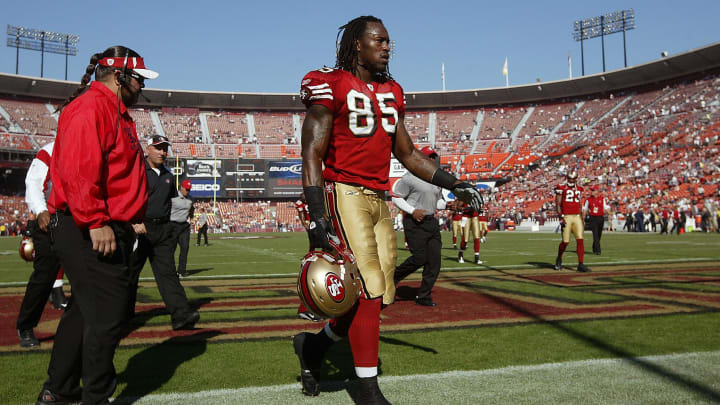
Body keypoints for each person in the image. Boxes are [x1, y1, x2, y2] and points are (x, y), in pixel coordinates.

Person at [292, 16, 482, 403]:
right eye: (378, 40)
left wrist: (453, 182)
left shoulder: (392, 90)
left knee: (374, 293)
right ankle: (367, 388)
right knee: (371, 289)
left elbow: (409, 153)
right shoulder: (331, 83)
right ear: (356, 45)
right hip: (342, 191)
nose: (387, 46)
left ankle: (312, 348)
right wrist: (317, 215)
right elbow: (311, 152)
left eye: (388, 41)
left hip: (377, 197)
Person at [36, 45, 157, 405]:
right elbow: (78, 169)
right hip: (86, 224)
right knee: (107, 316)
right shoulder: (92, 107)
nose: (141, 88)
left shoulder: (112, 110)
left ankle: (58, 390)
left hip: (97, 223)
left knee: (84, 312)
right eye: (138, 80)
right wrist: (95, 220)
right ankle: (97, 396)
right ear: (120, 77)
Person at [128, 136, 199, 331]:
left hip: (162, 229)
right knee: (129, 273)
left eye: (165, 148)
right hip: (139, 228)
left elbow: (168, 202)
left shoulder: (168, 175)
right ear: (148, 149)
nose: (162, 152)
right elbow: (126, 197)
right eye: (158, 148)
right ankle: (121, 314)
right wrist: (133, 222)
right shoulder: (137, 170)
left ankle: (181, 314)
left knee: (168, 273)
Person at [16, 141, 68, 348]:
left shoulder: (88, 145)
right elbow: (34, 183)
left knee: (88, 274)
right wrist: (40, 210)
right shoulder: (49, 150)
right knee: (44, 276)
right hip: (50, 221)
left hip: (76, 220)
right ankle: (26, 325)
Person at [392, 146, 453, 307]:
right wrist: (413, 211)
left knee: (434, 262)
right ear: (421, 159)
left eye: (434, 157)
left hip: (431, 222)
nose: (433, 160)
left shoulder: (436, 179)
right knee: (420, 258)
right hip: (415, 222)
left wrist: (449, 205)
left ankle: (424, 296)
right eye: (429, 157)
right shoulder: (410, 177)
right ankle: (394, 276)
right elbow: (396, 197)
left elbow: (437, 202)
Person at [554, 171, 590, 272]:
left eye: (573, 179)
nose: (571, 180)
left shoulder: (579, 189)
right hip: (566, 216)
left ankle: (581, 264)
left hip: (577, 216)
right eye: (570, 179)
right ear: (567, 178)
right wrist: (560, 216)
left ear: (576, 179)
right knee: (565, 242)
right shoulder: (561, 188)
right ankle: (559, 258)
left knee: (580, 239)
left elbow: (580, 204)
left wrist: (582, 218)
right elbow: (558, 203)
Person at [170, 179, 194, 277]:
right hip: (172, 225)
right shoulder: (172, 197)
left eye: (189, 190)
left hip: (184, 226)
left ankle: (181, 271)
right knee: (170, 250)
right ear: (181, 188)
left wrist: (191, 217)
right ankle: (170, 271)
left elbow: (192, 209)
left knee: (185, 248)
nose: (188, 191)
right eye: (186, 189)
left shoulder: (191, 199)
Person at [583, 184, 610, 255]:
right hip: (592, 218)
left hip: (600, 218)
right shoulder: (588, 200)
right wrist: (583, 219)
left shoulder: (602, 199)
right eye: (591, 190)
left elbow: (606, 207)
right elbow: (585, 209)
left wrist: (610, 213)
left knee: (599, 235)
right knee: (595, 234)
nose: (591, 191)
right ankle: (598, 250)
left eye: (593, 190)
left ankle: (594, 246)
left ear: (597, 191)